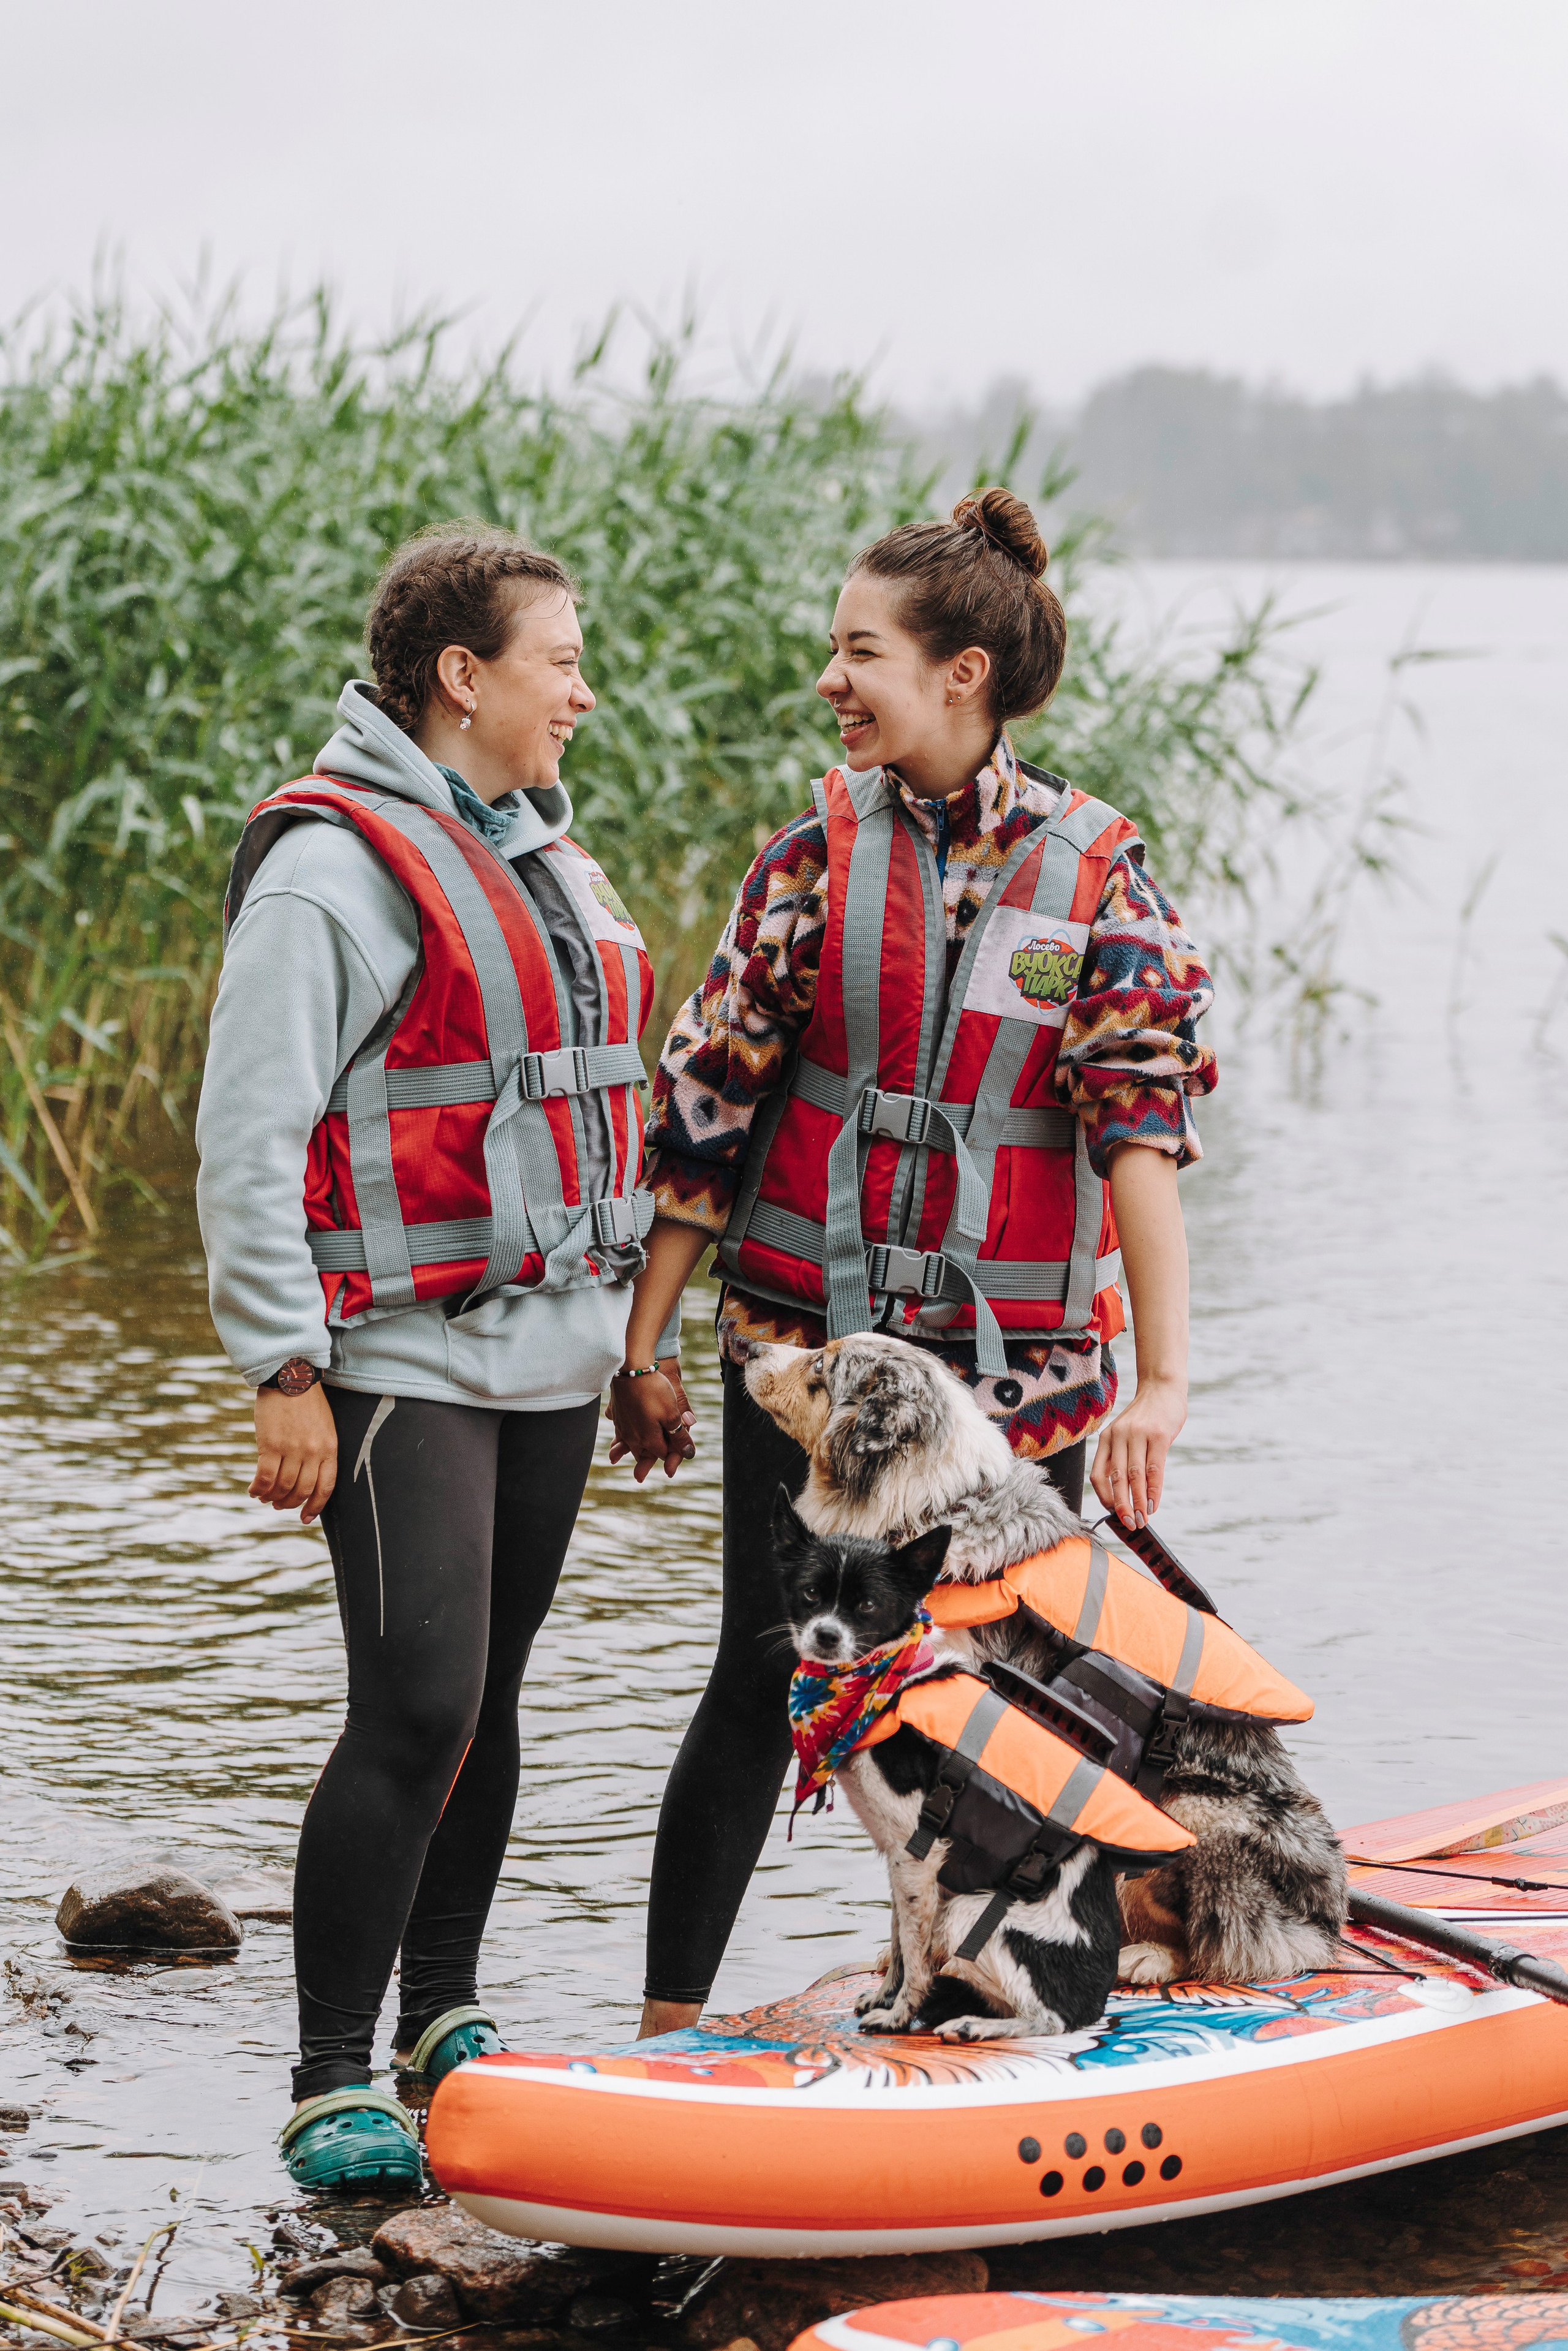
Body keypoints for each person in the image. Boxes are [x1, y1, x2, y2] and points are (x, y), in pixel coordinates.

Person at [608, 489, 1217, 2038]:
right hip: (810, 1362)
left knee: (1011, 1698)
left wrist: (1157, 1378)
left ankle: (1014, 1995)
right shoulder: (808, 861)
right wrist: (647, 1346)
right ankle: (670, 2028)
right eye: (832, 648)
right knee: (766, 1680)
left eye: (858, 650)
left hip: (1022, 1383)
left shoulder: (1098, 881)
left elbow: (1136, 1131)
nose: (830, 677)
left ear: (961, 673)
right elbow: (706, 1110)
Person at [196, 525, 678, 2192]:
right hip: (401, 1354)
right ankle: (332, 2072)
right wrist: (282, 1363)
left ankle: (442, 2009)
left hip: (553, 1347)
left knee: (490, 1703)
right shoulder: (334, 868)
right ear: (461, 678)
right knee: (414, 1704)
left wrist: (639, 1342)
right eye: (560, 657)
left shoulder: (550, 854)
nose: (583, 688)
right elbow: (249, 1134)